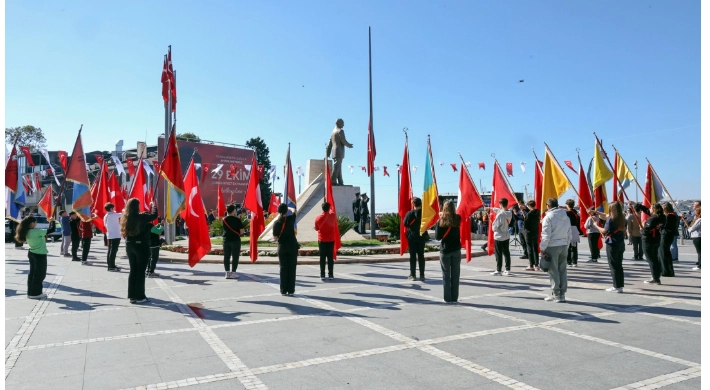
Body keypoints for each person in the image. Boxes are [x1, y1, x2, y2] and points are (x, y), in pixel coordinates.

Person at [121, 198, 158, 304]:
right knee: (141, 271)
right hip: (141, 246)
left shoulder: (126, 217)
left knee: (133, 270)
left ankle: (132, 295)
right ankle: (140, 296)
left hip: (130, 246)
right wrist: (153, 205)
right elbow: (154, 215)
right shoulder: (141, 216)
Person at [15, 214, 55, 299]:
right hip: (39, 254)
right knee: (39, 275)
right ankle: (35, 293)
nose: (36, 224)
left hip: (32, 253)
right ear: (32, 223)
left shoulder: (27, 231)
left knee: (32, 274)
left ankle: (31, 292)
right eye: (35, 222)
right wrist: (52, 221)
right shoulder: (35, 231)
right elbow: (52, 229)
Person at [540, 198, 571, 303]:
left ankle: (556, 293)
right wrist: (567, 244)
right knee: (562, 270)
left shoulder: (548, 217)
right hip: (563, 244)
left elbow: (546, 235)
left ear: (548, 205)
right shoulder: (565, 216)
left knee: (553, 271)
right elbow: (569, 233)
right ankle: (562, 293)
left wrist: (542, 248)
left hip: (552, 245)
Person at [596, 202, 627, 293]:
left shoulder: (610, 219)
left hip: (612, 244)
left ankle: (616, 286)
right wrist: (596, 212)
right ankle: (620, 286)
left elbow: (604, 230)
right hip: (620, 244)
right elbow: (605, 215)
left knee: (613, 265)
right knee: (619, 265)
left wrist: (596, 226)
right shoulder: (622, 218)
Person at [632, 201, 664, 285]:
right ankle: (656, 275)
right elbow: (646, 210)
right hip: (656, 238)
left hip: (648, 240)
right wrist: (636, 204)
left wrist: (641, 228)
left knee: (651, 259)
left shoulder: (652, 219)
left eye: (651, 208)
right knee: (654, 258)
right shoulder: (662, 217)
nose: (649, 209)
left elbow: (645, 231)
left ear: (654, 209)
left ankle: (655, 278)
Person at [435, 200, 461, 303]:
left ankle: (447, 298)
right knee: (455, 275)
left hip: (445, 251)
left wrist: (440, 218)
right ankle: (455, 298)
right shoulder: (458, 218)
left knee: (446, 275)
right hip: (456, 250)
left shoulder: (441, 221)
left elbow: (437, 237)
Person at [274, 203, 298, 296]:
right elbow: (294, 211)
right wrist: (289, 208)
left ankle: (283, 290)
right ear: (286, 211)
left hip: (282, 247)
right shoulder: (291, 219)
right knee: (292, 268)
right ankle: (291, 290)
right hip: (292, 246)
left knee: (283, 268)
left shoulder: (277, 223)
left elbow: (275, 237)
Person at [486, 198, 513, 276]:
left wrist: (492, 223)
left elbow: (494, 227)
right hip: (506, 235)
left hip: (498, 236)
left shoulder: (500, 215)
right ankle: (508, 269)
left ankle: (498, 270)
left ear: (500, 204)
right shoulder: (509, 213)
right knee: (506, 253)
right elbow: (499, 210)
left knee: (498, 253)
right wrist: (491, 208)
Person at [325, 118, 354, 186]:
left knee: (338, 167)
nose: (343, 125)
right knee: (337, 167)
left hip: (334, 152)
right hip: (339, 151)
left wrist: (327, 154)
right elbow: (343, 140)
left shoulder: (333, 132)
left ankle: (340, 181)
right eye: (342, 123)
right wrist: (349, 145)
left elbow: (329, 144)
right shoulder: (340, 131)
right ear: (339, 123)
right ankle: (332, 181)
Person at [403, 197, 425, 281]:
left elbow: (405, 224)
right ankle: (422, 275)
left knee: (412, 256)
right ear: (421, 204)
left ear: (413, 204)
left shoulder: (409, 214)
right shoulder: (424, 213)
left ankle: (413, 275)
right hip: (421, 236)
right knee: (421, 256)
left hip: (412, 237)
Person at [314, 202, 338, 280]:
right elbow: (334, 222)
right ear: (329, 208)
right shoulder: (333, 216)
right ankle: (330, 274)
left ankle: (322, 274)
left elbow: (317, 228)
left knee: (322, 258)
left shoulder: (318, 218)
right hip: (331, 240)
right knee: (330, 258)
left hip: (322, 240)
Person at [222, 204, 245, 279]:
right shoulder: (237, 220)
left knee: (226, 256)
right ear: (233, 211)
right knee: (235, 257)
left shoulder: (224, 220)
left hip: (226, 240)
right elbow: (242, 231)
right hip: (235, 240)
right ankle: (233, 272)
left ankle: (227, 273)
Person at [103, 203, 122, 272]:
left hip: (110, 235)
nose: (114, 209)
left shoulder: (106, 216)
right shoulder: (113, 215)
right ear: (111, 209)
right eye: (113, 208)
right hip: (115, 235)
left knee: (110, 250)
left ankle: (110, 264)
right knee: (113, 251)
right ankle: (111, 266)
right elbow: (122, 214)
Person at [659, 203, 676, 277]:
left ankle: (666, 271)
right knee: (665, 253)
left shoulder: (669, 216)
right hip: (668, 235)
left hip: (665, 236)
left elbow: (664, 226)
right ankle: (666, 270)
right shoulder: (673, 215)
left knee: (664, 253)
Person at [523, 200, 541, 271]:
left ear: (530, 206)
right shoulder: (538, 212)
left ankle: (531, 264)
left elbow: (525, 224)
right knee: (535, 248)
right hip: (535, 231)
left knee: (530, 248)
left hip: (529, 232)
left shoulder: (529, 214)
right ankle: (536, 264)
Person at [565, 200, 581, 267]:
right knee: (574, 246)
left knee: (568, 247)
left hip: (569, 229)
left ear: (567, 205)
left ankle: (569, 261)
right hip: (575, 229)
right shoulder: (575, 212)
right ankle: (575, 261)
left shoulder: (568, 213)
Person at [689, 206, 701, 271]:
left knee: (699, 252)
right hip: (698, 236)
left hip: (697, 236)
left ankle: (700, 265)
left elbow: (693, 228)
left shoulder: (699, 220)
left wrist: (689, 229)